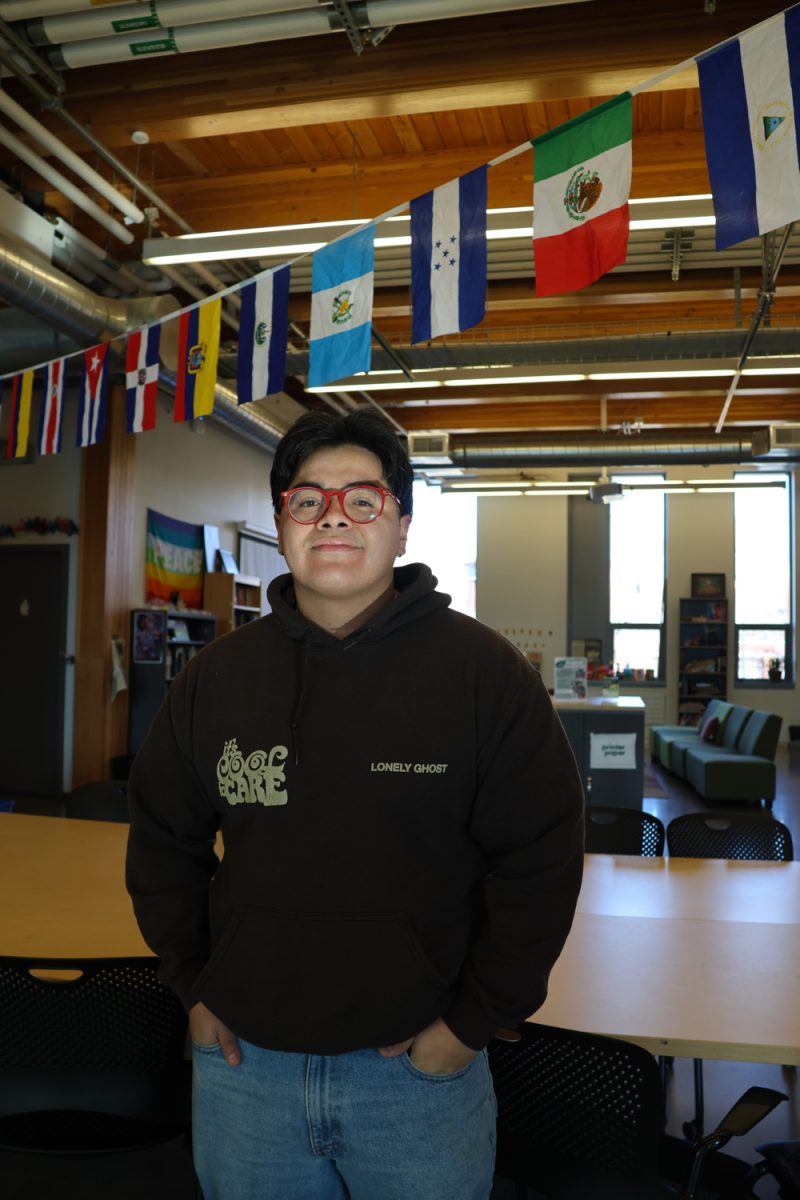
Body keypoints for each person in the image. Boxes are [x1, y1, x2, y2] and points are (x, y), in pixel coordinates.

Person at [126, 408, 584, 1200]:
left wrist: (470, 1025)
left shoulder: (484, 675)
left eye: (362, 499)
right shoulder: (215, 679)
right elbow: (164, 842)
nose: (333, 516)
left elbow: (539, 861)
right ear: (282, 523)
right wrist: (192, 986)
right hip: (245, 1070)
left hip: (416, 1077)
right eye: (307, 500)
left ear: (401, 524)